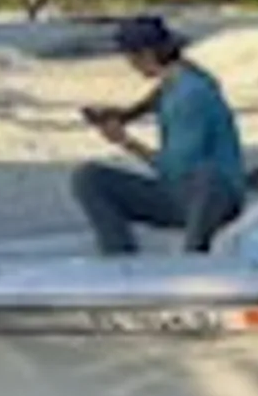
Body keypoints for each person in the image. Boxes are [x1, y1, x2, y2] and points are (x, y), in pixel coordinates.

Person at [72, 14, 247, 254]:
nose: (129, 64)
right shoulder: (182, 79)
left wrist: (125, 141)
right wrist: (124, 115)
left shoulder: (190, 97)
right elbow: (160, 94)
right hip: (183, 190)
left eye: (130, 57)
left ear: (145, 55)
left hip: (210, 197)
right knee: (89, 178)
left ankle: (194, 254)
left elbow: (173, 169)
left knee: (205, 180)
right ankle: (119, 257)